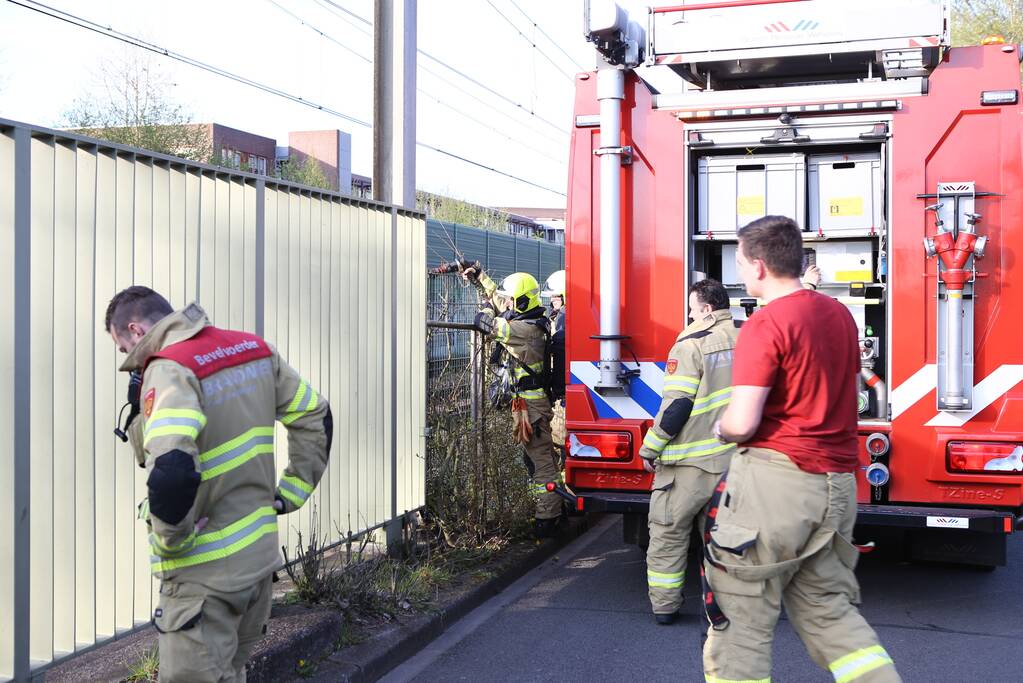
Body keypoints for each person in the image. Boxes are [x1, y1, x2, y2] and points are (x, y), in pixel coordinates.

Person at [704, 216, 900, 682]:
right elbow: (846, 392)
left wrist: (720, 428)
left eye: (740, 261)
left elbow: (743, 421)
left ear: (757, 265)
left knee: (740, 621)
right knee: (830, 613)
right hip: (835, 486)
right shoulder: (836, 314)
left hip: (776, 485)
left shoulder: (764, 322)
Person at [106, 286, 332, 682]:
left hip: (203, 581)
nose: (127, 359)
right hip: (257, 568)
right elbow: (316, 414)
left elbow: (173, 469)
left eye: (122, 347)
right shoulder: (253, 350)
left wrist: (169, 541)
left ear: (136, 330)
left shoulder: (171, 368)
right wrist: (291, 493)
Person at [639, 278, 739, 625]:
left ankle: (665, 608)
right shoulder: (747, 340)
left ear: (706, 310)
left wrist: (650, 448)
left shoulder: (691, 344)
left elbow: (678, 404)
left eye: (693, 310)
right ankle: (724, 610)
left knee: (668, 533)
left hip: (688, 467)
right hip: (731, 465)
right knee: (723, 542)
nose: (690, 316)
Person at [462, 265, 563, 538]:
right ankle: (551, 507)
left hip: (532, 409)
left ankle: (548, 517)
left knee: (540, 461)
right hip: (530, 406)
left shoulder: (524, 330)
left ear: (521, 302)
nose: (507, 303)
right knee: (540, 460)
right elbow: (502, 301)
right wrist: (480, 278)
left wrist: (484, 305)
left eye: (511, 299)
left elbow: (484, 323)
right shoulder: (532, 322)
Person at [542, 270, 567, 459]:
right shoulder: (559, 318)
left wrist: (556, 390)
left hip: (562, 397)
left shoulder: (564, 320)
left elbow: (559, 359)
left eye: (556, 297)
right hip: (564, 394)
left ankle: (562, 486)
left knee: (559, 444)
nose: (552, 301)